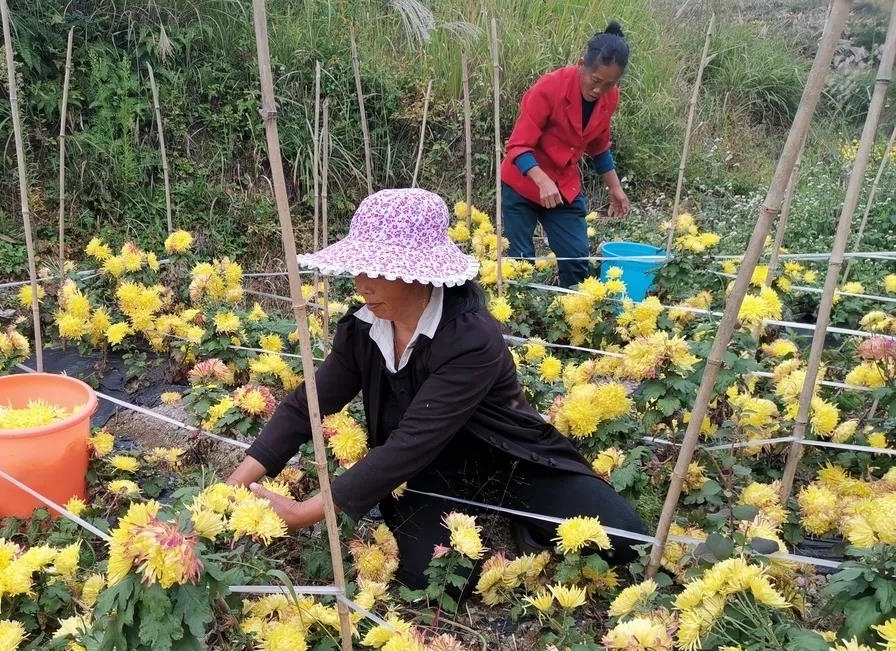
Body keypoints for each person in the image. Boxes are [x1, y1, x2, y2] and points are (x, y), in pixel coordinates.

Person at [227, 188, 645, 589]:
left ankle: (522, 517)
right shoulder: (363, 329)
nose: (361, 283)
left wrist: (303, 513)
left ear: (420, 273)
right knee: (439, 577)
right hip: (425, 472)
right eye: (359, 267)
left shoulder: (469, 337)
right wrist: (235, 484)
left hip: (508, 458)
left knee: (621, 537)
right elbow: (308, 406)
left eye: (376, 269)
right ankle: (475, 516)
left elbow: (411, 441)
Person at [500, 21, 631, 288]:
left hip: (563, 186)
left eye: (609, 84)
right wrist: (541, 179)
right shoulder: (549, 88)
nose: (599, 91)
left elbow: (599, 145)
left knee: (576, 259)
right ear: (582, 63)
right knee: (521, 262)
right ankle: (521, 320)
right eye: (595, 81)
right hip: (523, 183)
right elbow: (518, 146)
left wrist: (615, 188)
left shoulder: (610, 96)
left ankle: (571, 316)